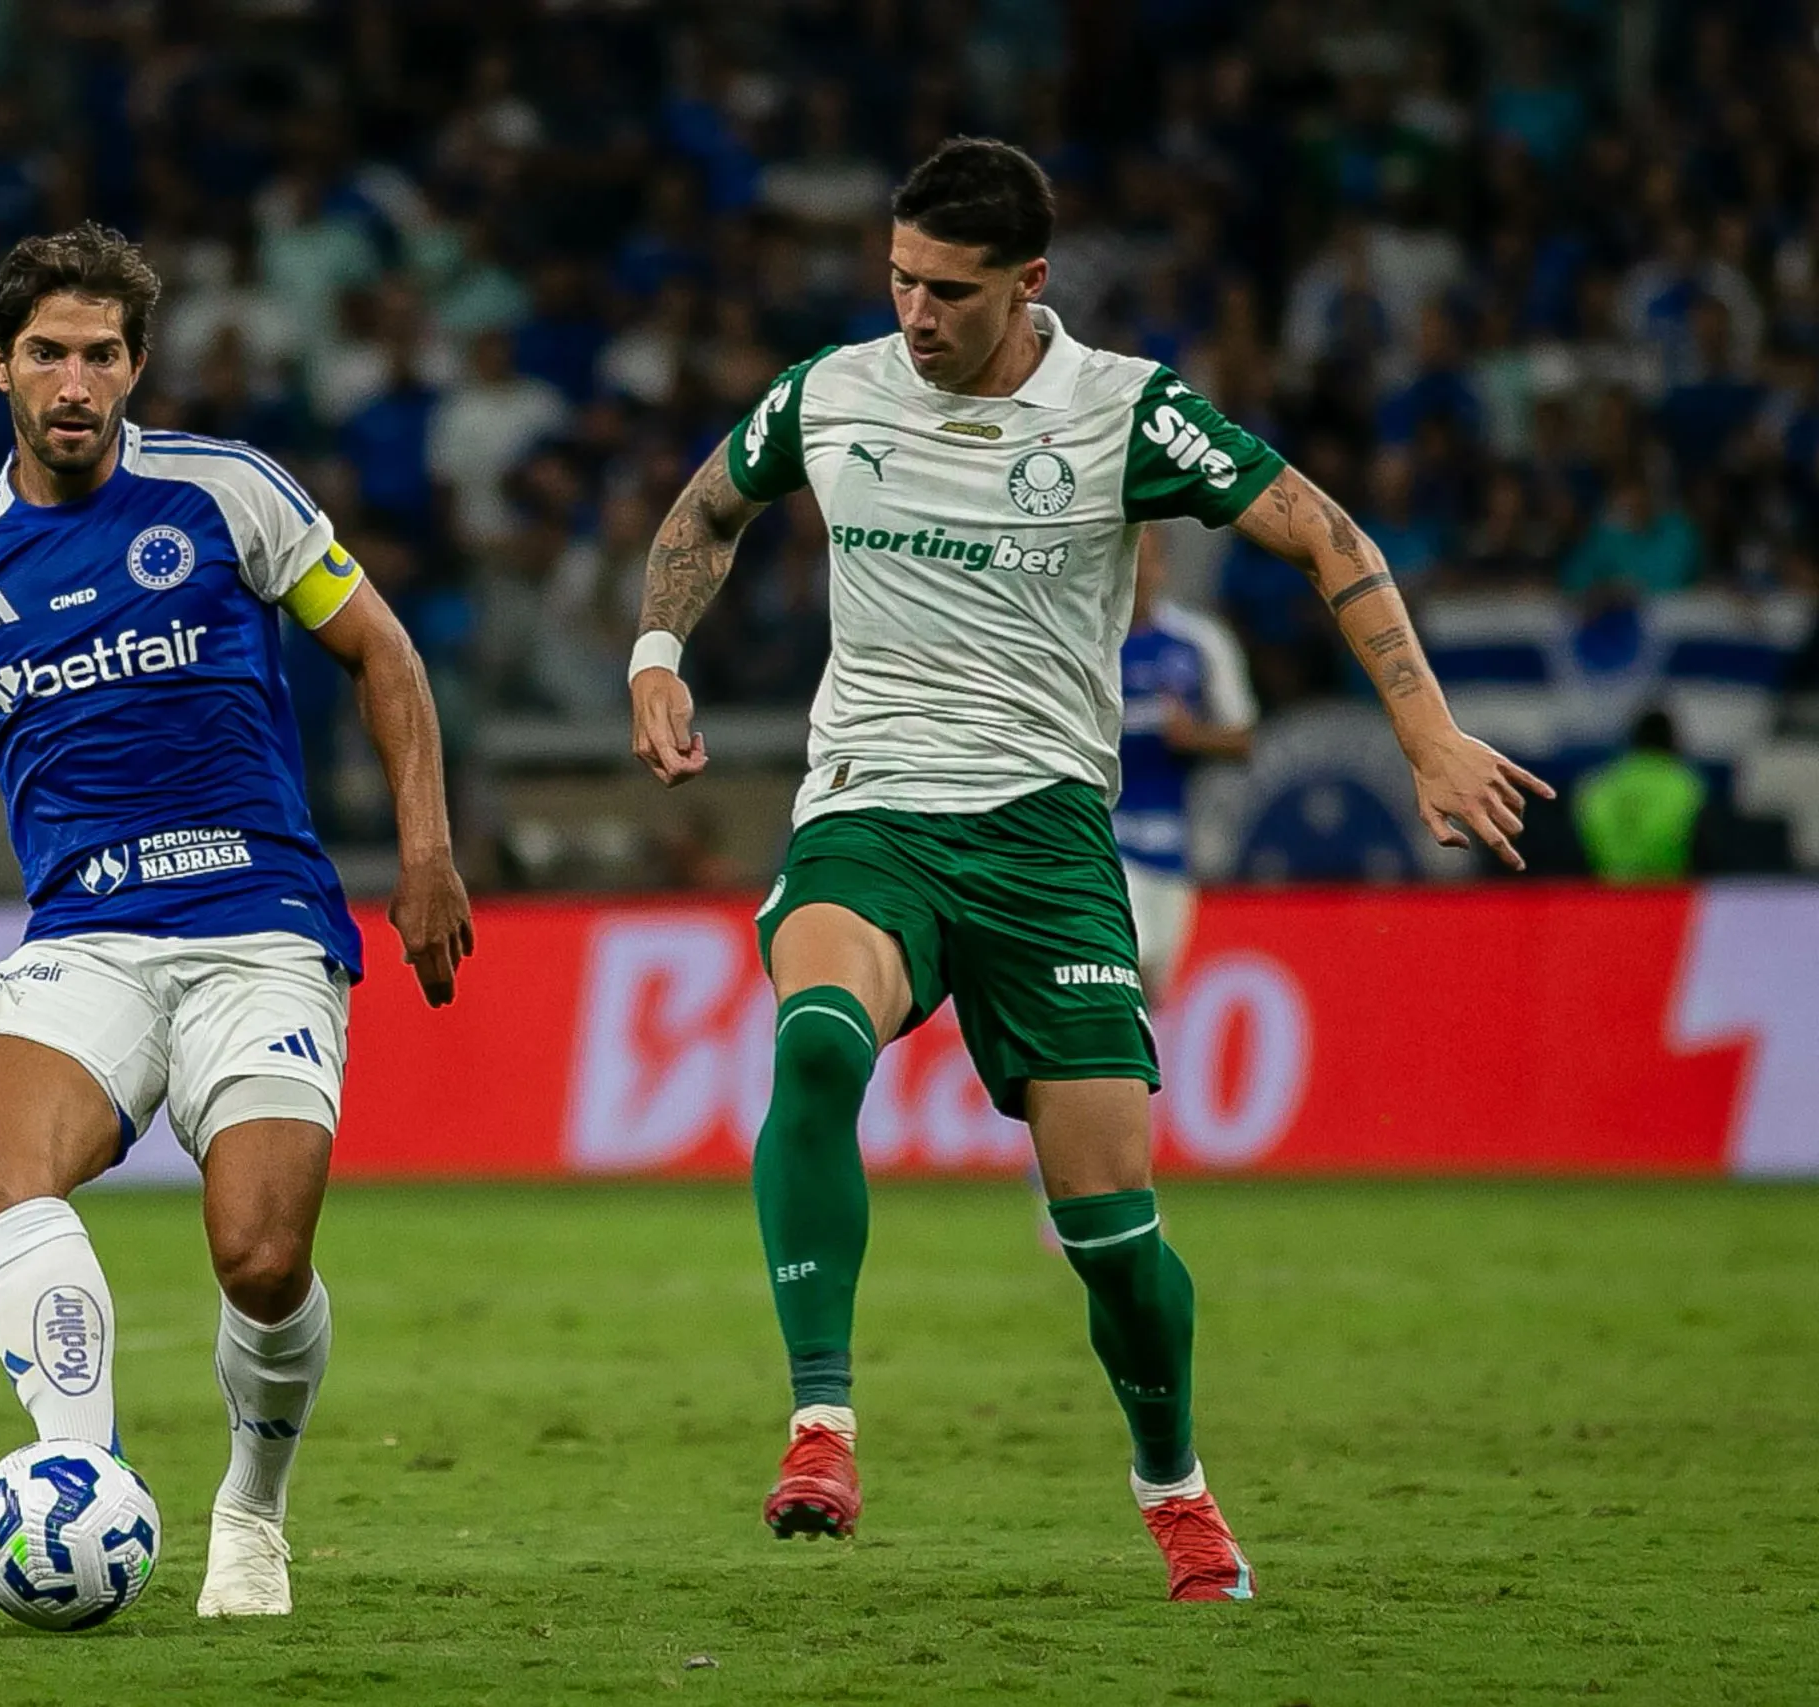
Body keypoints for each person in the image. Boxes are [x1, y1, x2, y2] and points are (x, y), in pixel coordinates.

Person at [627, 139, 1548, 1601]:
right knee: (813, 1039)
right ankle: (821, 1423)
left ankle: (1174, 1486)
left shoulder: (1127, 412)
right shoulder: (833, 390)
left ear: (1029, 285)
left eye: (948, 291)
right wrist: (657, 652)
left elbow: (1324, 531)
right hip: (871, 806)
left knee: (1112, 1233)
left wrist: (1428, 734)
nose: (915, 314)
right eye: (899, 279)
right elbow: (702, 511)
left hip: (1051, 839)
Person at [0, 224, 472, 1619]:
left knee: (262, 1257)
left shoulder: (229, 494)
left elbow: (378, 646)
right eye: (48, 354)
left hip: (261, 923)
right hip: (82, 937)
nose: (75, 380)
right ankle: (76, 1481)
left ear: (136, 365)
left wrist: (429, 851)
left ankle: (252, 1514)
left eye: (101, 354)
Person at [1115, 526, 1256, 998]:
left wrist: (1191, 736)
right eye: (1125, 560)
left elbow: (1243, 737)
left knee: (1155, 990)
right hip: (1104, 840)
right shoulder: (1082, 641)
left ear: (1162, 566)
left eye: (1145, 560)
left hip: (1174, 845)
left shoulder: (1198, 641)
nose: (1135, 574)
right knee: (1122, 974)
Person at [1574, 708, 1703, 882]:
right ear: (1673, 740)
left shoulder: (1597, 785)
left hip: (1606, 891)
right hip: (1667, 893)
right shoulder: (1686, 784)